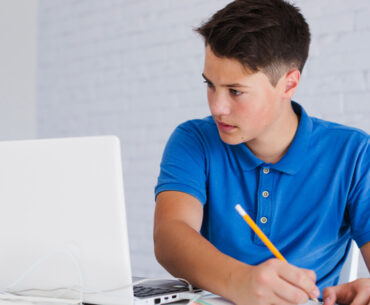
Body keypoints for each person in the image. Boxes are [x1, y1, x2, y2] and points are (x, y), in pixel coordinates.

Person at [153, 0, 370, 304]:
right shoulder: (194, 140)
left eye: (235, 91)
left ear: (288, 84)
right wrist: (239, 281)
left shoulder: (354, 153)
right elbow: (170, 236)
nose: (217, 106)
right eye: (210, 85)